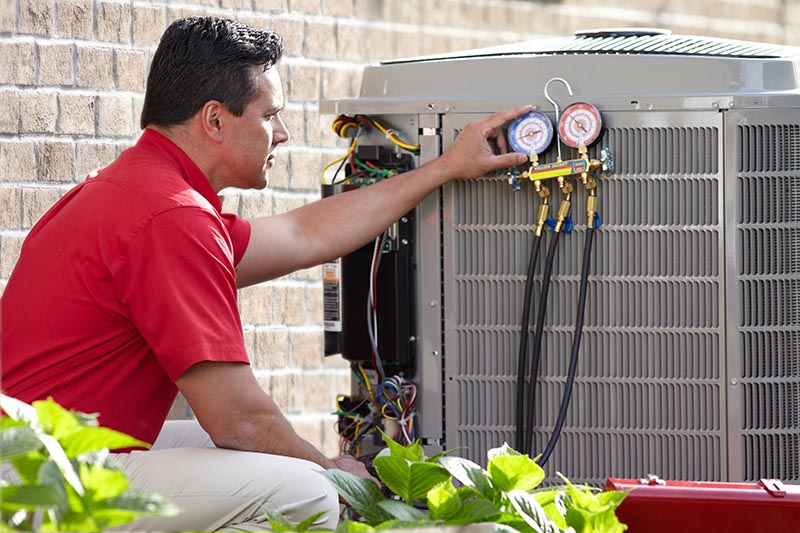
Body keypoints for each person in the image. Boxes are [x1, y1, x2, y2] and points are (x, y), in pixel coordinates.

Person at [0, 15, 532, 533]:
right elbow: (239, 418)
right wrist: (334, 471)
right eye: (269, 115)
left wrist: (444, 167)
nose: (282, 134)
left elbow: (304, 234)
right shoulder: (171, 219)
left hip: (37, 453)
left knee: (251, 460)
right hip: (34, 478)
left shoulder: (140, 191)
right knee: (307, 491)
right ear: (215, 120)